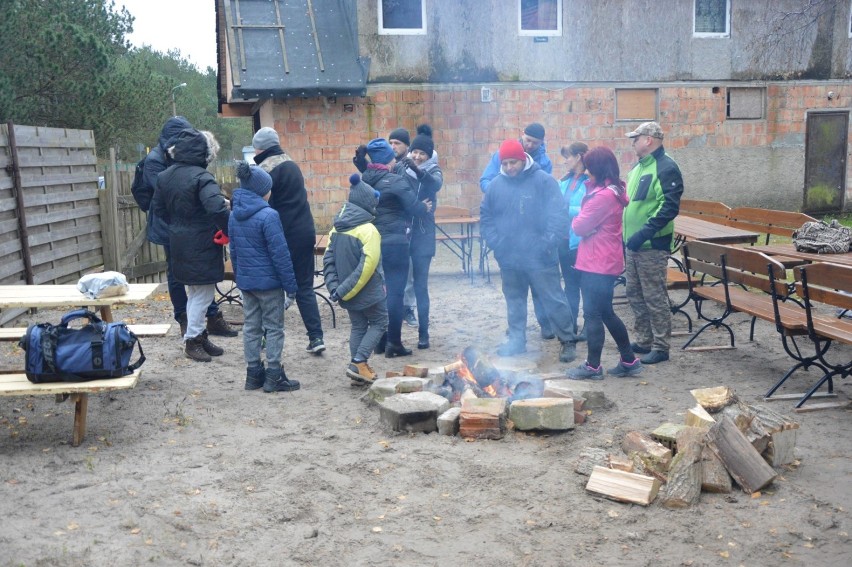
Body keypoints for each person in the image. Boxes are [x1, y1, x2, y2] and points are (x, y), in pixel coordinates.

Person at [136, 116, 238, 338]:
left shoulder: (180, 167)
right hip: (174, 228)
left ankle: (207, 321)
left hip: (182, 226)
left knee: (198, 280)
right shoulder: (156, 161)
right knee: (181, 276)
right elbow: (171, 197)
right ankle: (186, 322)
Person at [480, 139, 577, 363]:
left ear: (522, 159)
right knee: (514, 299)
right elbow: (486, 218)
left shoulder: (543, 181)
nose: (509, 168)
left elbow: (558, 215)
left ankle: (568, 341)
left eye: (513, 162)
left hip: (541, 256)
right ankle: (516, 341)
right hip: (509, 257)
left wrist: (547, 244)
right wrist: (497, 244)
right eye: (504, 164)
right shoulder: (495, 185)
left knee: (553, 298)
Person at [151, 129, 230, 362]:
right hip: (201, 241)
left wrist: (178, 225)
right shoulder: (202, 177)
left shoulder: (165, 176)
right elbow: (216, 208)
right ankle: (192, 340)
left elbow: (158, 209)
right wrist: (229, 230)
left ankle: (200, 336)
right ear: (204, 153)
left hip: (178, 239)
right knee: (203, 294)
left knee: (195, 292)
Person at [566, 147, 642, 380]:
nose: (586, 171)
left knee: (592, 314)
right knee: (606, 312)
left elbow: (578, 226)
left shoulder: (603, 196)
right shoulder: (611, 190)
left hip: (597, 262)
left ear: (596, 169)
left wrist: (581, 219)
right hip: (603, 260)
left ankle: (592, 366)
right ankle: (629, 360)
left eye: (589, 168)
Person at [252, 127, 326, 356]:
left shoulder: (265, 171)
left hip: (280, 236)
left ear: (259, 147)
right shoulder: (291, 164)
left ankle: (265, 338)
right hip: (304, 232)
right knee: (304, 286)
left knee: (271, 287)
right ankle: (316, 337)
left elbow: (258, 205)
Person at [228, 162, 300, 392]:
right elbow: (281, 254)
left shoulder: (234, 215)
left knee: (251, 328)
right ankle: (274, 375)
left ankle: (253, 374)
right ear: (262, 191)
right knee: (274, 328)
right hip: (269, 285)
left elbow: (234, 252)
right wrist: (291, 287)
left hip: (247, 283)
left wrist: (240, 278)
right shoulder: (269, 215)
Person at [480, 123, 554, 339]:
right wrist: (500, 193)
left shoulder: (544, 162)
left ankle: (546, 324)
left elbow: (546, 196)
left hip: (534, 232)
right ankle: (516, 334)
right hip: (508, 232)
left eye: (534, 143)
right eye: (527, 140)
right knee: (514, 292)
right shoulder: (502, 155)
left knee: (540, 288)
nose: (529, 145)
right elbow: (485, 180)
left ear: (541, 143)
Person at [360, 138, 430, 357]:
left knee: (378, 293)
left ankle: (380, 342)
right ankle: (394, 343)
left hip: (370, 243)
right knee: (395, 294)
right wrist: (424, 207)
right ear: (388, 161)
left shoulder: (363, 181)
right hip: (395, 243)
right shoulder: (395, 181)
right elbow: (414, 207)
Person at [623, 122, 684, 365]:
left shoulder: (666, 166)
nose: (632, 142)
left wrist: (643, 234)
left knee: (654, 296)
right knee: (634, 293)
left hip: (651, 245)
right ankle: (644, 339)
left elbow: (669, 206)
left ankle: (661, 346)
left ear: (648, 139)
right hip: (633, 244)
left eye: (635, 138)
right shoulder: (638, 167)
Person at [323, 174, 388, 385]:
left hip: (345, 290)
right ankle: (359, 362)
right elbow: (367, 267)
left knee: (358, 326)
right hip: (368, 292)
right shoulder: (369, 231)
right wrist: (344, 290)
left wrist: (335, 287)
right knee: (379, 322)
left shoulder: (336, 228)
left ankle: (357, 371)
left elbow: (328, 260)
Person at [399, 124, 442, 349]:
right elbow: (397, 196)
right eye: (414, 152)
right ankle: (393, 337)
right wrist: (416, 207)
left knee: (420, 287)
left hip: (423, 238)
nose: (417, 156)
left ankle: (423, 334)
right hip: (402, 235)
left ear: (428, 155)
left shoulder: (433, 171)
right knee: (397, 285)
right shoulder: (401, 168)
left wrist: (417, 171)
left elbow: (434, 185)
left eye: (421, 153)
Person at [387, 126, 418, 328]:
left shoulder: (412, 166)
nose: (393, 147)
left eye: (397, 143)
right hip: (389, 226)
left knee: (409, 271)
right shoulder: (386, 164)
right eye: (390, 143)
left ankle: (408, 309)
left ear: (406, 146)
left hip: (409, 225)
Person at [558, 142, 590, 339]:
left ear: (578, 157)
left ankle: (589, 325)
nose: (566, 161)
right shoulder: (564, 180)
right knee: (569, 285)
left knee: (585, 286)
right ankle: (571, 324)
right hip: (563, 239)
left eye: (568, 157)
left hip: (581, 242)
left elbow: (591, 208)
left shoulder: (590, 180)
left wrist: (565, 210)